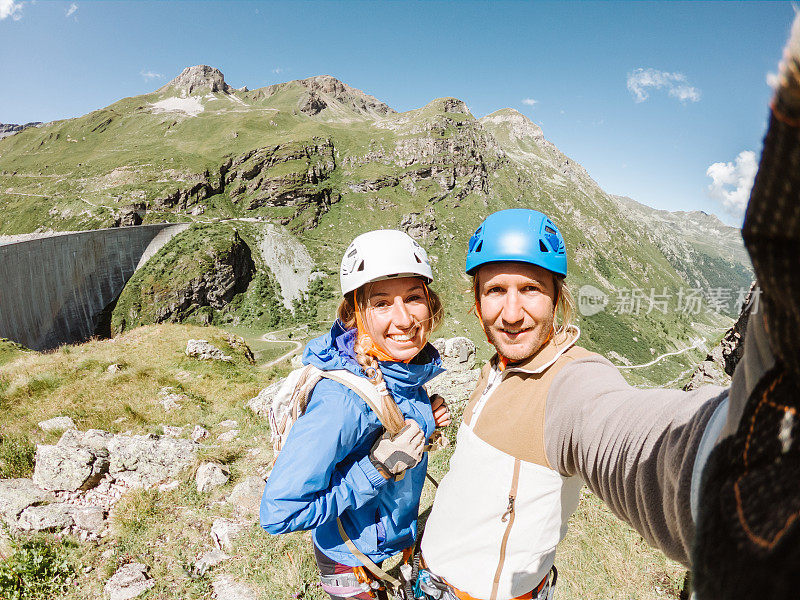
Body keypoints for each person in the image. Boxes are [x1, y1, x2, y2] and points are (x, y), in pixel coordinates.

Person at [420, 15, 800, 599]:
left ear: (558, 298)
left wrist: (738, 458)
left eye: (531, 290)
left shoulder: (569, 386)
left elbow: (628, 435)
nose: (513, 312)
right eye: (496, 291)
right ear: (476, 303)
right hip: (430, 579)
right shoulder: (496, 370)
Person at [260, 229, 451, 600]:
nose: (404, 318)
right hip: (350, 561)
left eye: (414, 298)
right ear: (355, 314)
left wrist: (426, 419)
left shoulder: (401, 369)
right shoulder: (341, 402)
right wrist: (375, 469)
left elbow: (391, 436)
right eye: (381, 303)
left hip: (391, 542)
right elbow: (278, 513)